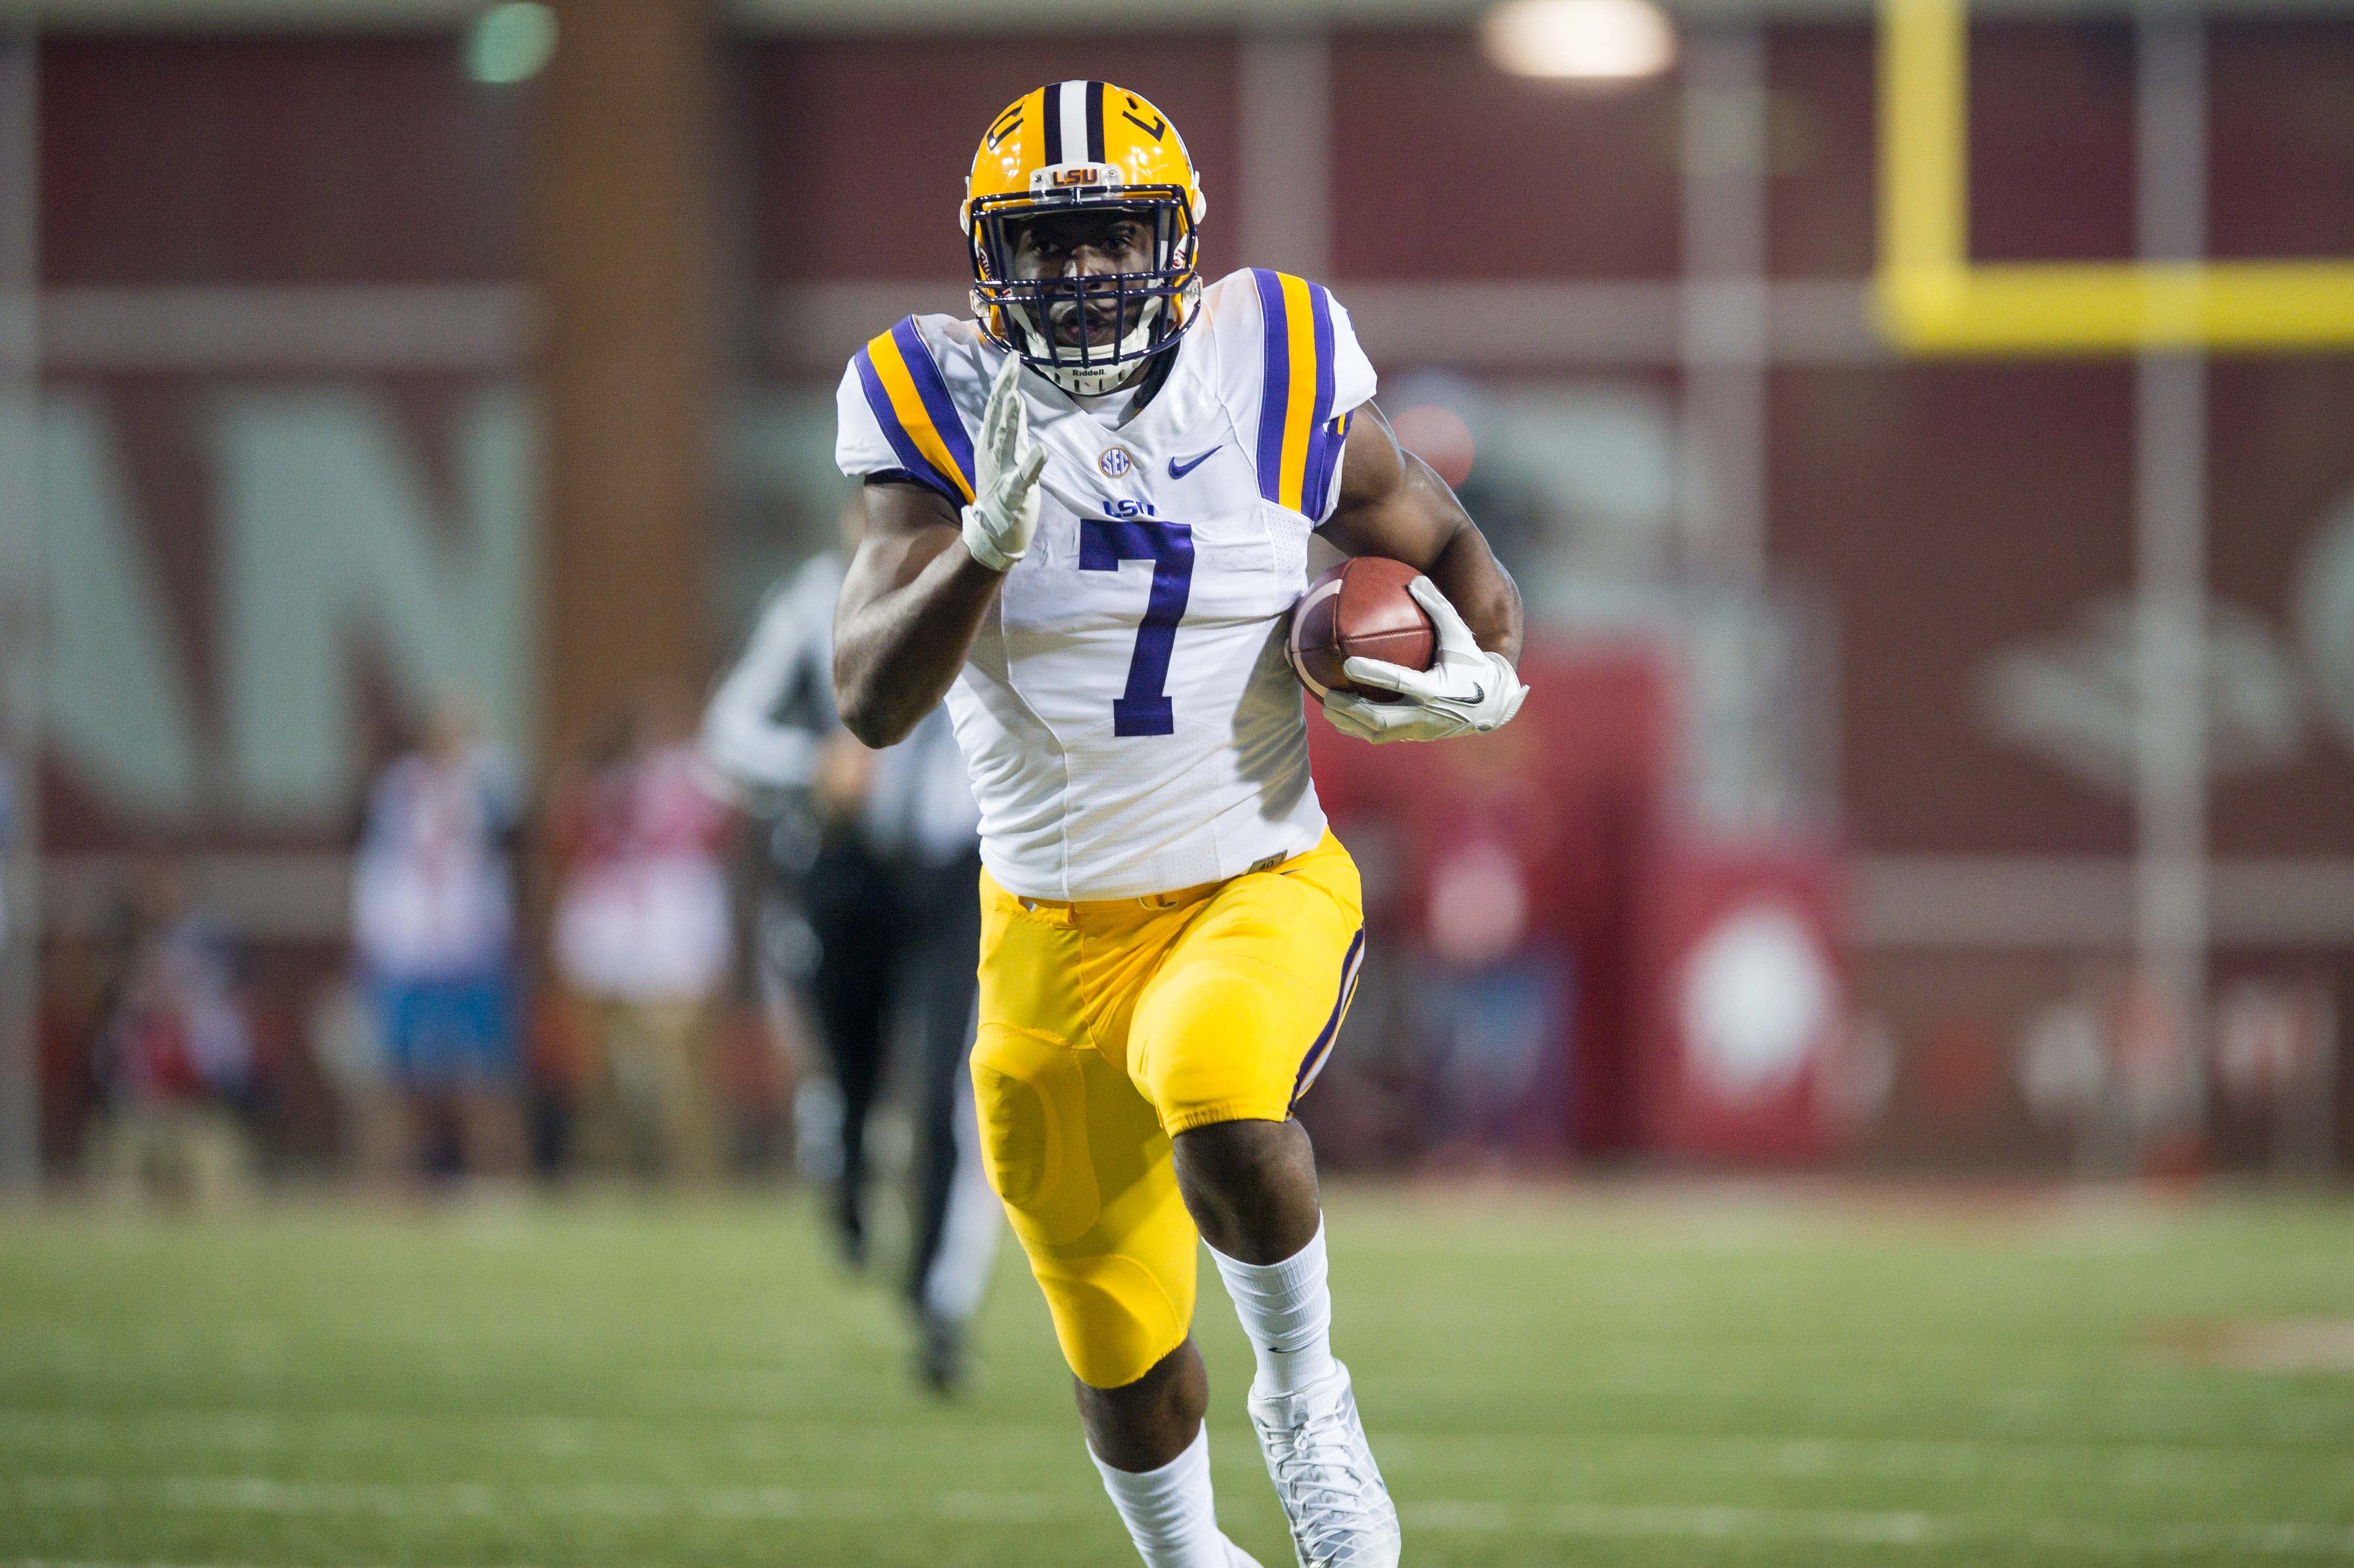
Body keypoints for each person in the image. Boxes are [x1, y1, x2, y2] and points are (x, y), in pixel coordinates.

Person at [830, 83, 1526, 1568]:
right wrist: (979, 547)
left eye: (1112, 236)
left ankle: (1308, 1400)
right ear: (987, 263)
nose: (1082, 273)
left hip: (1251, 877)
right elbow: (870, 698)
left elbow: (1448, 544)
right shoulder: (929, 397)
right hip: (1044, 939)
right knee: (1123, 1355)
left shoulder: (1266, 360)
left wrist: (1479, 678)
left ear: (1180, 247)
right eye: (1048, 243)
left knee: (1215, 1078)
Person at [703, 511, 1002, 1392]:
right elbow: (727, 734)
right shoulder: (809, 605)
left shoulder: (1000, 593)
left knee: (962, 1088)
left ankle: (941, 1302)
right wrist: (809, 766)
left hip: (961, 876)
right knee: (849, 1077)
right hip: (845, 871)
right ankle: (843, 1178)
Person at [550, 689, 735, 1182]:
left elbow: (715, 834)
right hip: (630, 921)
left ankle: (694, 1168)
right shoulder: (610, 787)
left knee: (678, 1059)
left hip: (673, 921)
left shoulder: (701, 778)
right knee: (608, 1065)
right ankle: (610, 1164)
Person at [349, 698, 526, 1180]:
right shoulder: (396, 787)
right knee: (392, 1072)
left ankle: (496, 1176)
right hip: (406, 947)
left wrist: (474, 770)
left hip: (470, 946)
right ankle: (387, 1178)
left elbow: (509, 821)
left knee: (486, 1071)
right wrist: (372, 935)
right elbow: (376, 859)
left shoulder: (486, 782)